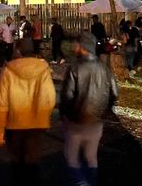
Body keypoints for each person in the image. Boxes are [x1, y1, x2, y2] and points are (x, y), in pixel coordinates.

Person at [0, 38, 57, 185]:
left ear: (18, 51)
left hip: (14, 124)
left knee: (17, 164)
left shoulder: (8, 71)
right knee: (33, 162)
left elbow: (2, 104)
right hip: (37, 124)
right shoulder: (43, 69)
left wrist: (0, 132)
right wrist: (43, 116)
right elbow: (50, 98)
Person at [61, 32, 118, 186]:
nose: (74, 46)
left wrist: (66, 115)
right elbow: (114, 94)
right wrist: (104, 112)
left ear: (82, 46)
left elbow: (67, 96)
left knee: (71, 157)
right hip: (96, 121)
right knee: (91, 157)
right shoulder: (105, 69)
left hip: (76, 121)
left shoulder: (74, 68)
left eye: (76, 43)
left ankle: (81, 182)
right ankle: (91, 182)